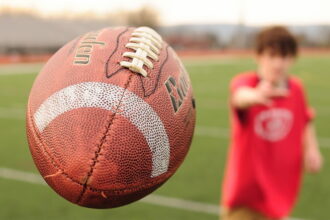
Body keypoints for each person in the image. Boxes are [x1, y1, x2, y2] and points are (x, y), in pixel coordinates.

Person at [221, 26, 323, 220]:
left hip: (280, 194)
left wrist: (312, 148)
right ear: (259, 56)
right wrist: (254, 95)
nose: (278, 63)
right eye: (272, 55)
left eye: (284, 56)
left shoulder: (297, 89)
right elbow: (239, 97)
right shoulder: (246, 83)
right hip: (247, 198)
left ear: (292, 58)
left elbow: (306, 119)